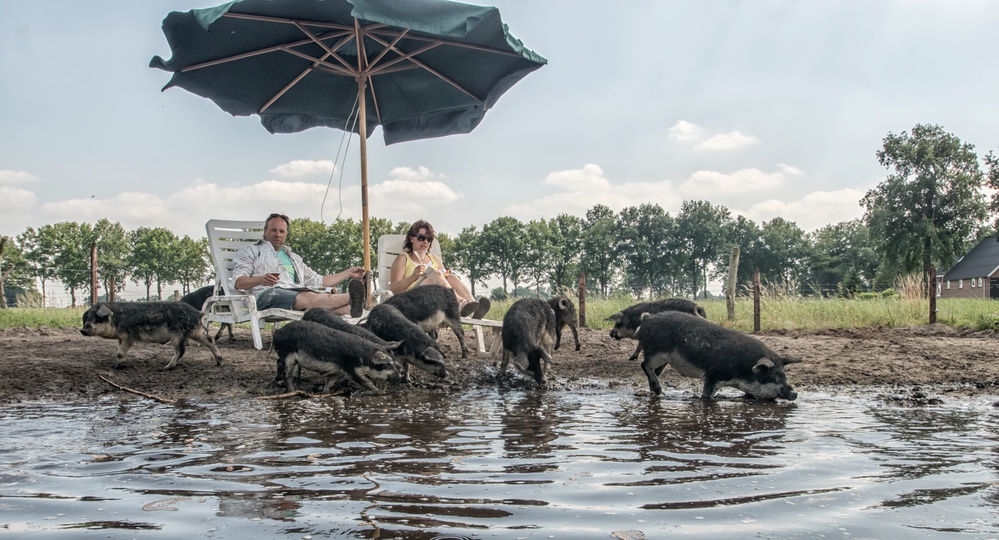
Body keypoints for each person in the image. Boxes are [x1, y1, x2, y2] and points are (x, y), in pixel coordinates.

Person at [232, 213, 368, 317]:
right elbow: (238, 282)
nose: (277, 234)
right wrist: (260, 279)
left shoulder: (293, 258)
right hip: (267, 295)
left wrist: (348, 273)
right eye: (273, 230)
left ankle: (354, 305)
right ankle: (354, 297)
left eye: (281, 231)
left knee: (344, 309)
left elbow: (318, 280)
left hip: (294, 293)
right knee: (307, 296)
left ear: (286, 234)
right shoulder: (251, 251)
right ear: (265, 231)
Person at [389, 219, 490, 319]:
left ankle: (474, 307)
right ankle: (460, 303)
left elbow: (446, 280)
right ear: (411, 238)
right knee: (437, 275)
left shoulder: (435, 259)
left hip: (435, 300)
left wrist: (446, 276)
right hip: (413, 301)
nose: (425, 242)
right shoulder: (403, 259)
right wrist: (412, 277)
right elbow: (393, 288)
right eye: (421, 238)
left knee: (452, 277)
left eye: (429, 239)